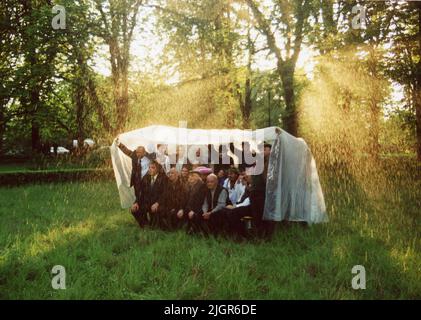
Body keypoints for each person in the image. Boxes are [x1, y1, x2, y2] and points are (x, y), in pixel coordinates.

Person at [131, 160, 168, 228]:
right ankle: (144, 223)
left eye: (153, 167)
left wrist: (157, 203)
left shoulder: (163, 178)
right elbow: (141, 192)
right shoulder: (146, 177)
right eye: (149, 167)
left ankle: (154, 223)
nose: (150, 169)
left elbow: (165, 194)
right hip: (147, 202)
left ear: (158, 169)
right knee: (134, 209)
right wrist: (136, 202)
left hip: (159, 203)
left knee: (155, 225)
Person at [184, 169, 207, 234]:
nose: (190, 177)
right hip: (190, 208)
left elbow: (200, 202)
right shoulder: (189, 186)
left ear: (198, 177)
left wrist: (193, 210)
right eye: (190, 176)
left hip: (199, 209)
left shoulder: (202, 186)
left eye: (193, 176)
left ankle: (195, 229)